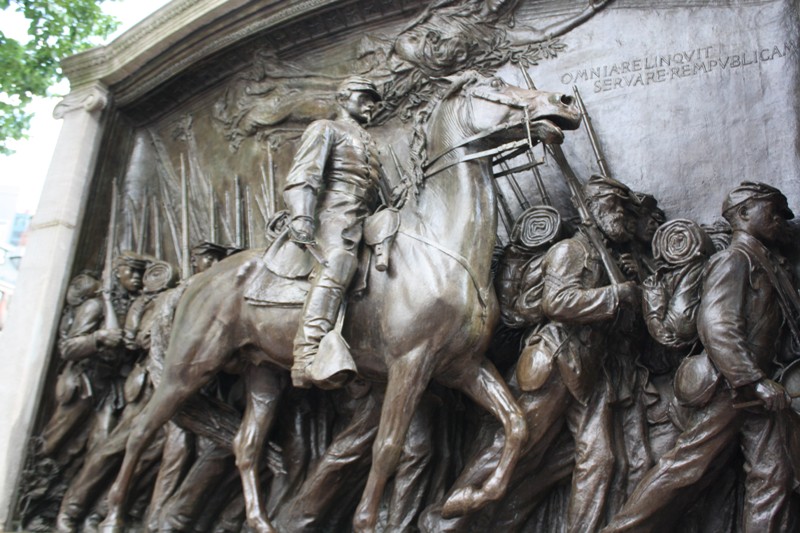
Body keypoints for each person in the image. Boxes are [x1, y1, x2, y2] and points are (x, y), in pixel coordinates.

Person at [423, 176, 639, 532]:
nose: (620, 217)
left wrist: (625, 290)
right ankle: (444, 524)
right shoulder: (571, 251)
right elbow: (558, 302)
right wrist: (615, 295)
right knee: (508, 450)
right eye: (614, 207)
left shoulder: (607, 258)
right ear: (593, 210)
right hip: (555, 363)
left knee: (599, 457)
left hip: (587, 373)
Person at [603, 182, 798, 533]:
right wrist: (752, 380)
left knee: (773, 476)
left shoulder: (763, 259)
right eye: (772, 211)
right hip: (732, 387)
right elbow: (717, 325)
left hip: (759, 392)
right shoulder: (733, 259)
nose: (780, 219)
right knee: (684, 468)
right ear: (742, 214)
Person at [283, 75, 391, 389]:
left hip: (365, 214)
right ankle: (308, 354)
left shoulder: (369, 141)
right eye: (364, 96)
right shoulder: (325, 129)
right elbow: (304, 174)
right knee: (339, 263)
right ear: (343, 98)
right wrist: (302, 215)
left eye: (374, 100)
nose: (371, 104)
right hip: (334, 214)